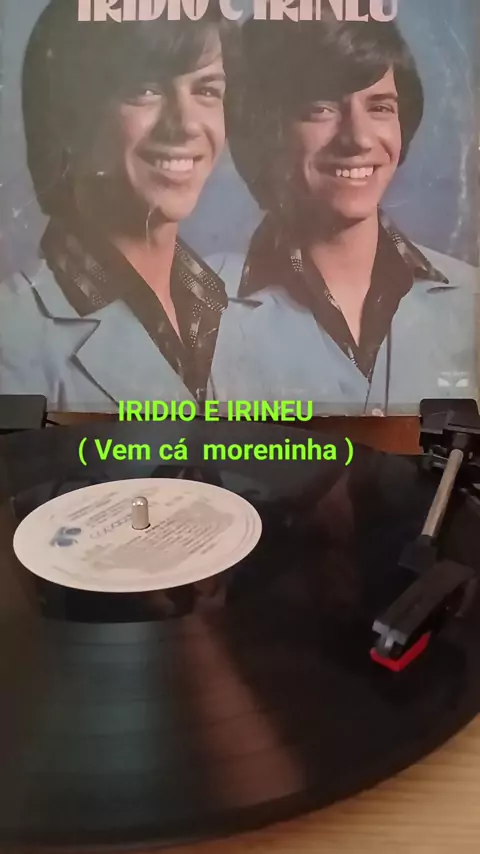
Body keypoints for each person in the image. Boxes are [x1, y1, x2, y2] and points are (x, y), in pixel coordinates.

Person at [207, 7, 479, 414]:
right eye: (321, 108)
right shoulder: (193, 311)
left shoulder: (472, 299)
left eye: (380, 107)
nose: (358, 138)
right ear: (265, 127)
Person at [0, 0, 243, 412]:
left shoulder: (241, 304)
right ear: (70, 115)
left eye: (206, 90)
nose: (185, 124)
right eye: (145, 89)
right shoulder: (12, 341)